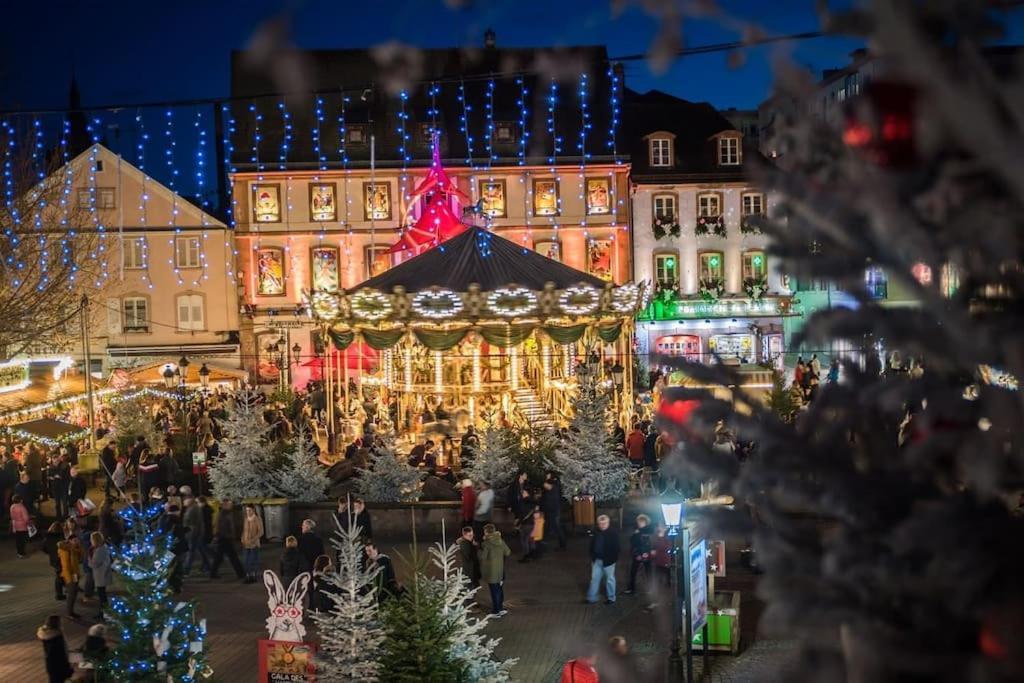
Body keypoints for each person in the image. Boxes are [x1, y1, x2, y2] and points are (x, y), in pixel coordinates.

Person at [586, 515, 619, 604]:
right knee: (594, 579)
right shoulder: (596, 532)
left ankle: (611, 598)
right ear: (598, 524)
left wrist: (613, 559)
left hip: (608, 561)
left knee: (609, 579)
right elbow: (592, 545)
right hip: (597, 560)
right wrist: (592, 556)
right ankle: (592, 598)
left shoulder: (613, 533)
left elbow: (617, 548)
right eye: (601, 523)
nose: (603, 525)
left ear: (608, 523)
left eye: (604, 523)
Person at [479, 523, 511, 616]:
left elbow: (483, 557)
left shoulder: (486, 544)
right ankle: (500, 608)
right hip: (500, 570)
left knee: (494, 591)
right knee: (499, 589)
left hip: (491, 571)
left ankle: (496, 611)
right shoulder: (500, 541)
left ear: (486, 532)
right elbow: (508, 552)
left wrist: (482, 546)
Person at [210, 499, 245, 581]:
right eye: (229, 504)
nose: (231, 505)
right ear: (225, 505)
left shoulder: (228, 513)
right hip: (224, 538)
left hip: (225, 538)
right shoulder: (223, 514)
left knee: (220, 557)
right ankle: (241, 573)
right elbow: (221, 527)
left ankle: (213, 573)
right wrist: (228, 536)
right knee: (232, 557)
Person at [37, 614, 73, 683]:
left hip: (50, 665)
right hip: (59, 667)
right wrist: (68, 668)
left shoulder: (45, 635)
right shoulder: (57, 637)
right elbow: (61, 654)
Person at [624, 514, 653, 595]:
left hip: (646, 555)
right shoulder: (636, 531)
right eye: (639, 522)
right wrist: (637, 554)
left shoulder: (649, 532)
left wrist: (647, 553)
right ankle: (631, 589)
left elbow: (650, 544)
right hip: (637, 554)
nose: (640, 523)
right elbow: (633, 544)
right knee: (633, 572)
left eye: (641, 522)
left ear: (646, 522)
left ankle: (650, 588)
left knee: (648, 573)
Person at [182, 496, 211, 576]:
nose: (183, 502)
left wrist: (189, 531)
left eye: (185, 500)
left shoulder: (193, 509)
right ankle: (208, 567)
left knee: (191, 552)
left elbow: (195, 523)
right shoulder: (192, 508)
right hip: (194, 534)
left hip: (193, 534)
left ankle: (186, 569)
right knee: (201, 551)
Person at [58, 535, 84, 618]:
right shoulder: (66, 550)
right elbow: (66, 566)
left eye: (78, 540)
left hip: (75, 574)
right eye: (75, 540)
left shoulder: (74, 549)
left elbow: (80, 559)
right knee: (71, 594)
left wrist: (78, 547)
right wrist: (69, 578)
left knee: (74, 593)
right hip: (69, 575)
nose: (77, 542)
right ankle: (69, 613)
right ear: (69, 540)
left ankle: (71, 611)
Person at [89, 531, 112, 618]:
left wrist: (89, 561)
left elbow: (94, 563)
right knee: (102, 595)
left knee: (102, 596)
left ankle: (103, 614)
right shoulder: (103, 548)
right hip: (102, 574)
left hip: (101, 575)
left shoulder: (99, 550)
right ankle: (103, 613)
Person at [540, 477, 566, 550]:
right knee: (549, 527)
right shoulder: (552, 491)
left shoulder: (553, 490)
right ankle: (544, 543)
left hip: (552, 512)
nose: (544, 486)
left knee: (556, 528)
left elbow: (549, 502)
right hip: (551, 512)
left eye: (546, 485)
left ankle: (562, 545)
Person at [241, 504, 264, 583]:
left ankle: (254, 576)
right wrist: (242, 538)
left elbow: (261, 532)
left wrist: (253, 539)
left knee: (253, 560)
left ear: (253, 510)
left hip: (254, 544)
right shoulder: (246, 519)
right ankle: (248, 576)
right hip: (246, 544)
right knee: (245, 561)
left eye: (249, 510)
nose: (248, 512)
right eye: (247, 510)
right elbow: (244, 530)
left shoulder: (257, 519)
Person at [10, 493, 32, 557]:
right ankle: (22, 552)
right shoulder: (22, 507)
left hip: (15, 525)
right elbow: (26, 518)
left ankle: (19, 552)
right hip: (22, 526)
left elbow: (12, 516)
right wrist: (29, 521)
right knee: (22, 540)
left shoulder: (12, 507)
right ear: (20, 500)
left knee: (18, 540)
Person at [652, 523, 672, 589]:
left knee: (666, 572)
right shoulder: (655, 536)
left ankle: (667, 585)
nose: (660, 528)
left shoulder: (667, 537)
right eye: (659, 527)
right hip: (658, 558)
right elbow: (653, 545)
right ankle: (659, 585)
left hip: (665, 558)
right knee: (658, 571)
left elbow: (667, 547)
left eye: (662, 527)